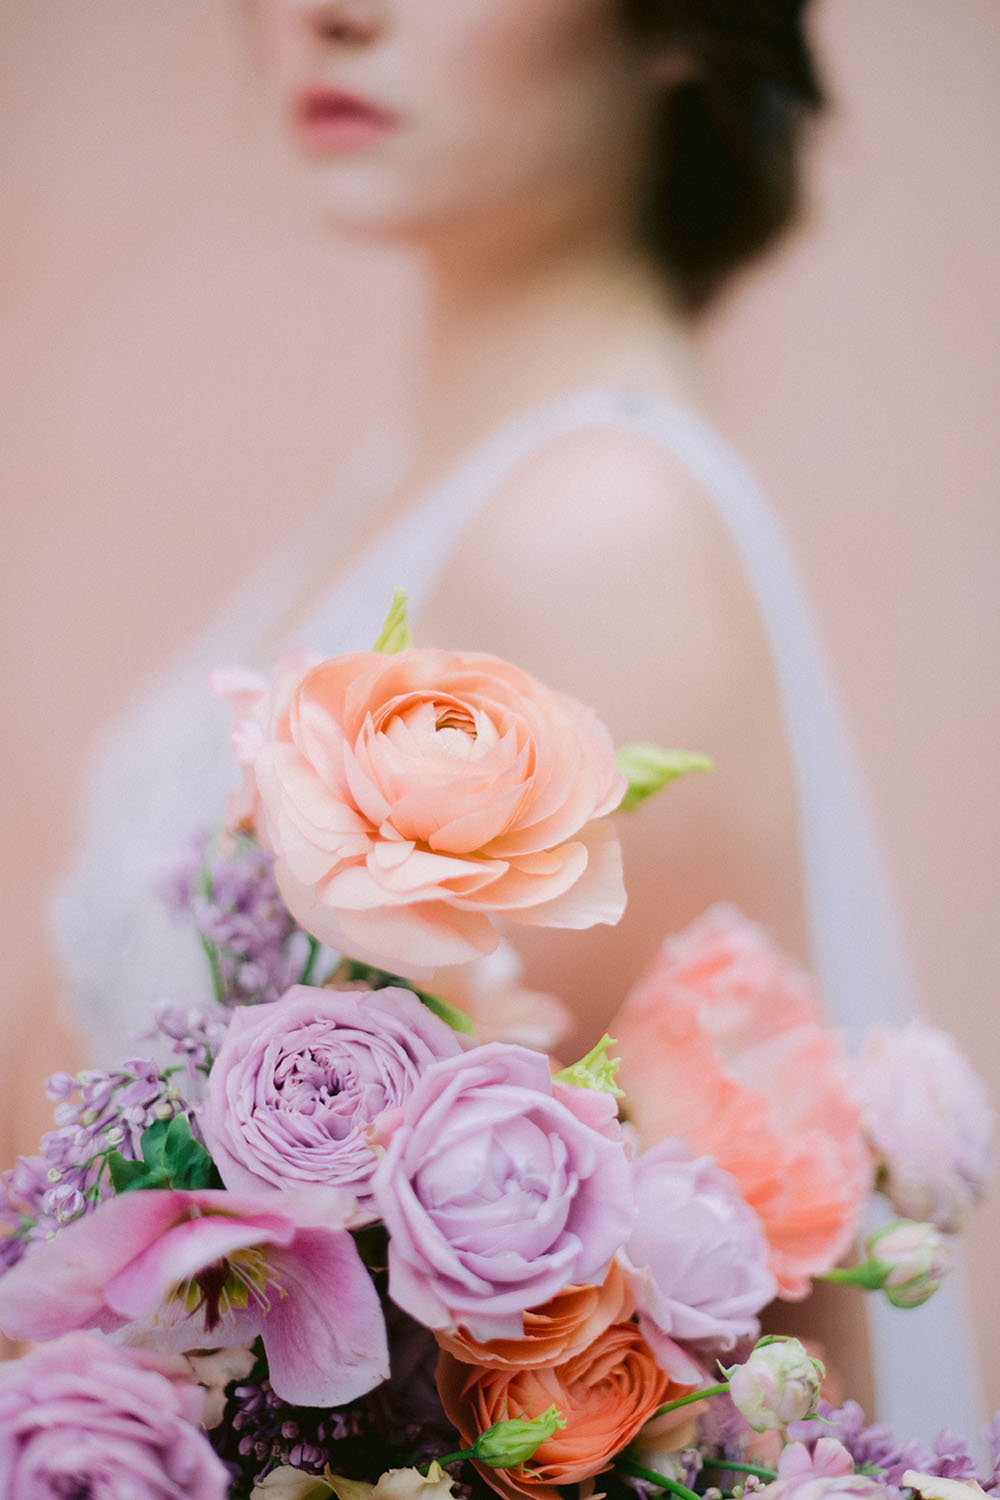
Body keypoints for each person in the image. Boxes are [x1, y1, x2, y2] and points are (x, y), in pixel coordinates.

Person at [9, 0, 982, 1438]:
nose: (325, 16)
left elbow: (698, 1382)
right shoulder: (396, 495)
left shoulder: (596, 533)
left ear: (679, 27)